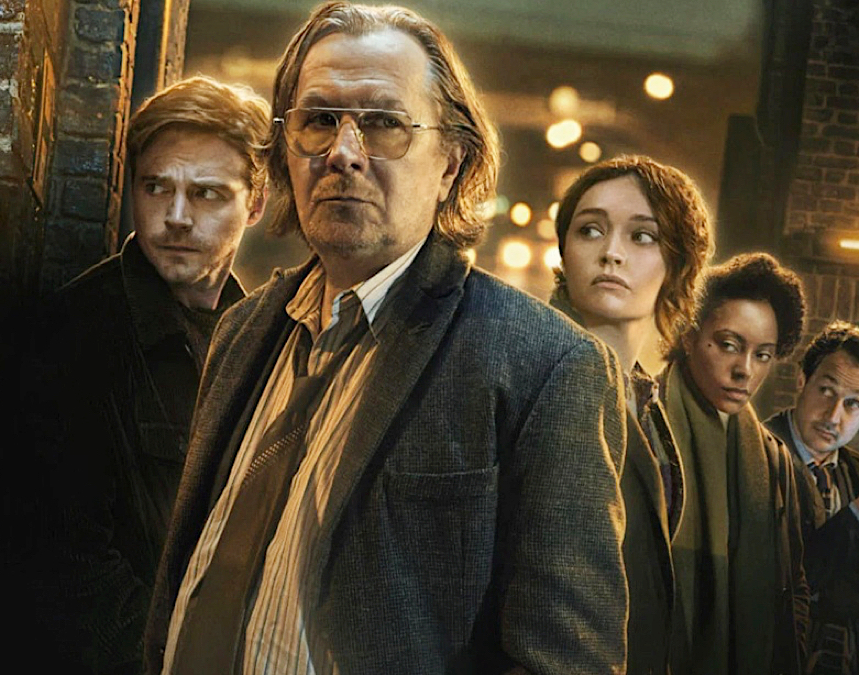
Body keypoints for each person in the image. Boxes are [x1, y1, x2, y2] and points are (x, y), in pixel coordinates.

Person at [144, 4, 630, 674]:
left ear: (451, 163)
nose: (342, 152)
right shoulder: (243, 330)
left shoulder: (543, 365)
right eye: (319, 121)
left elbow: (567, 661)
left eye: (383, 124)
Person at [0, 76, 269, 674]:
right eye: (156, 187)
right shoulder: (74, 334)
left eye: (207, 194)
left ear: (257, 202)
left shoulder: (259, 346)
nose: (176, 217)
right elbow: (67, 566)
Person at [551, 155, 714, 675]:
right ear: (564, 249)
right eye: (590, 230)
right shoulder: (538, 379)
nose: (611, 253)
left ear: (678, 264)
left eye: (642, 236)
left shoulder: (648, 402)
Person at [659, 252, 811, 674]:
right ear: (689, 335)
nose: (745, 370)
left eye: (763, 355)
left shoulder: (773, 459)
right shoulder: (645, 426)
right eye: (729, 345)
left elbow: (792, 584)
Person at [765, 321, 859, 674]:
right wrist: (853, 516)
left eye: (853, 403)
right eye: (826, 391)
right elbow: (781, 579)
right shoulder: (752, 455)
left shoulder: (854, 471)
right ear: (802, 380)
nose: (833, 416)